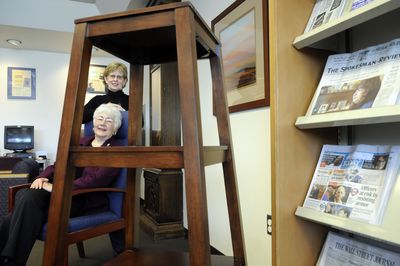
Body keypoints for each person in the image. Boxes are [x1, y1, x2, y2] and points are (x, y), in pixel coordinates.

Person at [0, 104, 123, 266]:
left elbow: (96, 180)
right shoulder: (81, 142)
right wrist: (42, 178)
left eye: (109, 121)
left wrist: (58, 188)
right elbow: (56, 166)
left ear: (114, 128)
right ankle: (10, 261)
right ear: (92, 123)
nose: (103, 123)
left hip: (82, 199)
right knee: (28, 197)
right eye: (99, 118)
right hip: (59, 194)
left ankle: (8, 260)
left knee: (23, 205)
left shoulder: (116, 150)